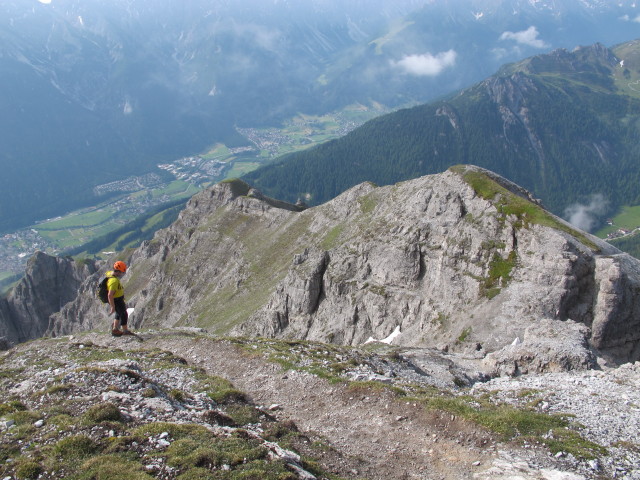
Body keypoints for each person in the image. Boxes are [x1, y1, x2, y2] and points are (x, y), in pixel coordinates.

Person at [107, 261, 133, 336]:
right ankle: (125, 330)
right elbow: (110, 295)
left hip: (118, 299)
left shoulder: (111, 275)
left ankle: (115, 329)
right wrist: (112, 306)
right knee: (124, 314)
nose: (122, 274)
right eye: (121, 272)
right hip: (117, 300)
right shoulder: (114, 281)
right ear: (118, 271)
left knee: (118, 313)